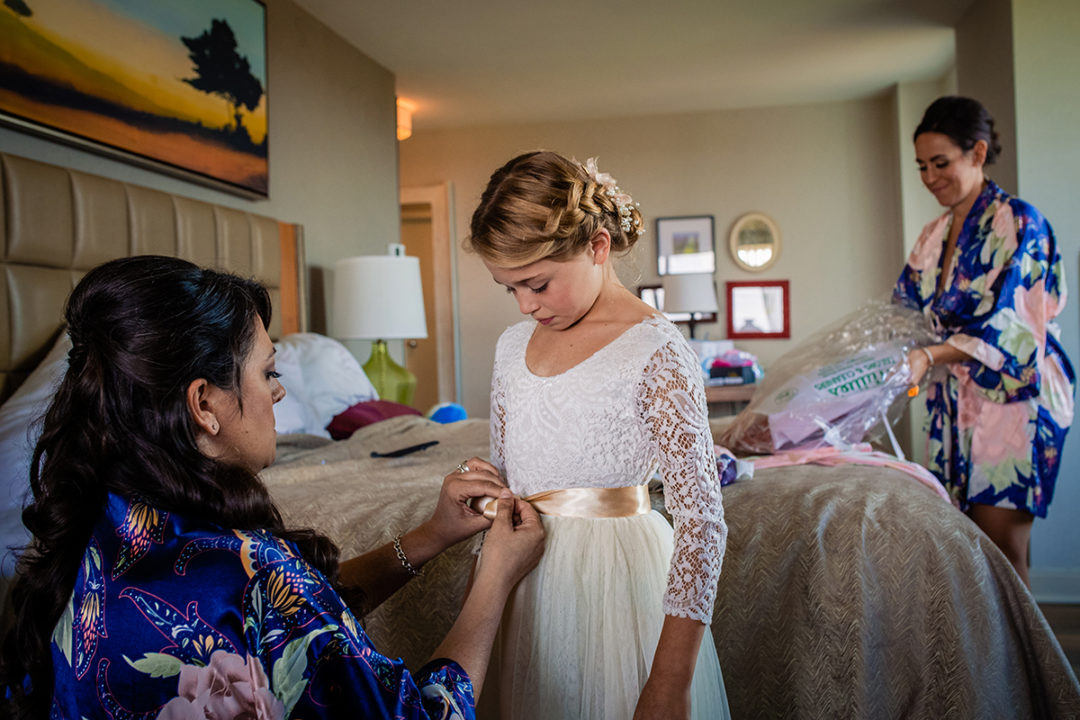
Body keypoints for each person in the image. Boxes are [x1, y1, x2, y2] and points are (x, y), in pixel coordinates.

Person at [0, 255, 545, 719]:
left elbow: (292, 620)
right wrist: (493, 578)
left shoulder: (89, 532)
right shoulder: (249, 564)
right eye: (268, 372)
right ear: (204, 404)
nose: (280, 394)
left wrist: (431, 535)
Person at [466, 151, 730, 720]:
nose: (525, 305)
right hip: (528, 587)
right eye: (507, 289)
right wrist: (488, 490)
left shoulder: (655, 350)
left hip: (618, 591)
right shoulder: (511, 347)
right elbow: (512, 471)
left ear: (598, 247)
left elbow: (702, 521)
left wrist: (670, 680)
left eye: (537, 283)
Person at [895, 96, 1075, 586]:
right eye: (922, 166)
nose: (930, 177)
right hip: (953, 399)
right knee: (964, 544)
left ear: (976, 153)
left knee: (1002, 550)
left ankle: (1023, 664)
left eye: (941, 163)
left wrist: (929, 353)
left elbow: (1015, 325)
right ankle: (983, 659)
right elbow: (904, 312)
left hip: (1011, 397)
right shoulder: (934, 235)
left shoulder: (1019, 222)